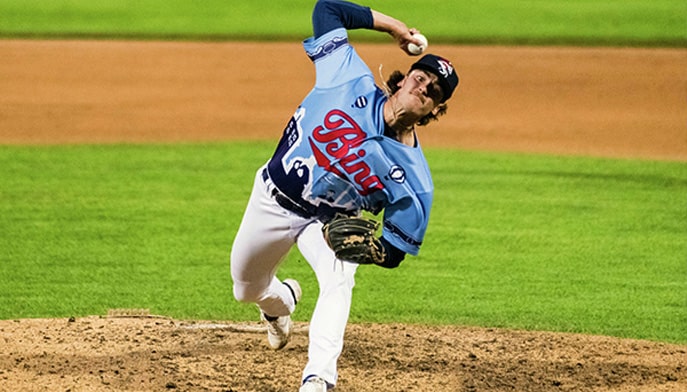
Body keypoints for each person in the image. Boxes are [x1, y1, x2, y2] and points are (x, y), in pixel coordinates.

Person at [230, 0, 459, 390]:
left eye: (433, 91)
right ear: (405, 78)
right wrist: (393, 28)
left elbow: (395, 250)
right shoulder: (348, 75)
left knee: (338, 282)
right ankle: (281, 303)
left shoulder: (416, 182)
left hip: (325, 225)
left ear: (435, 109)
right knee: (246, 288)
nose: (424, 87)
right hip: (272, 196)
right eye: (421, 78)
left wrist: (370, 251)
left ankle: (319, 378)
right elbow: (327, 11)